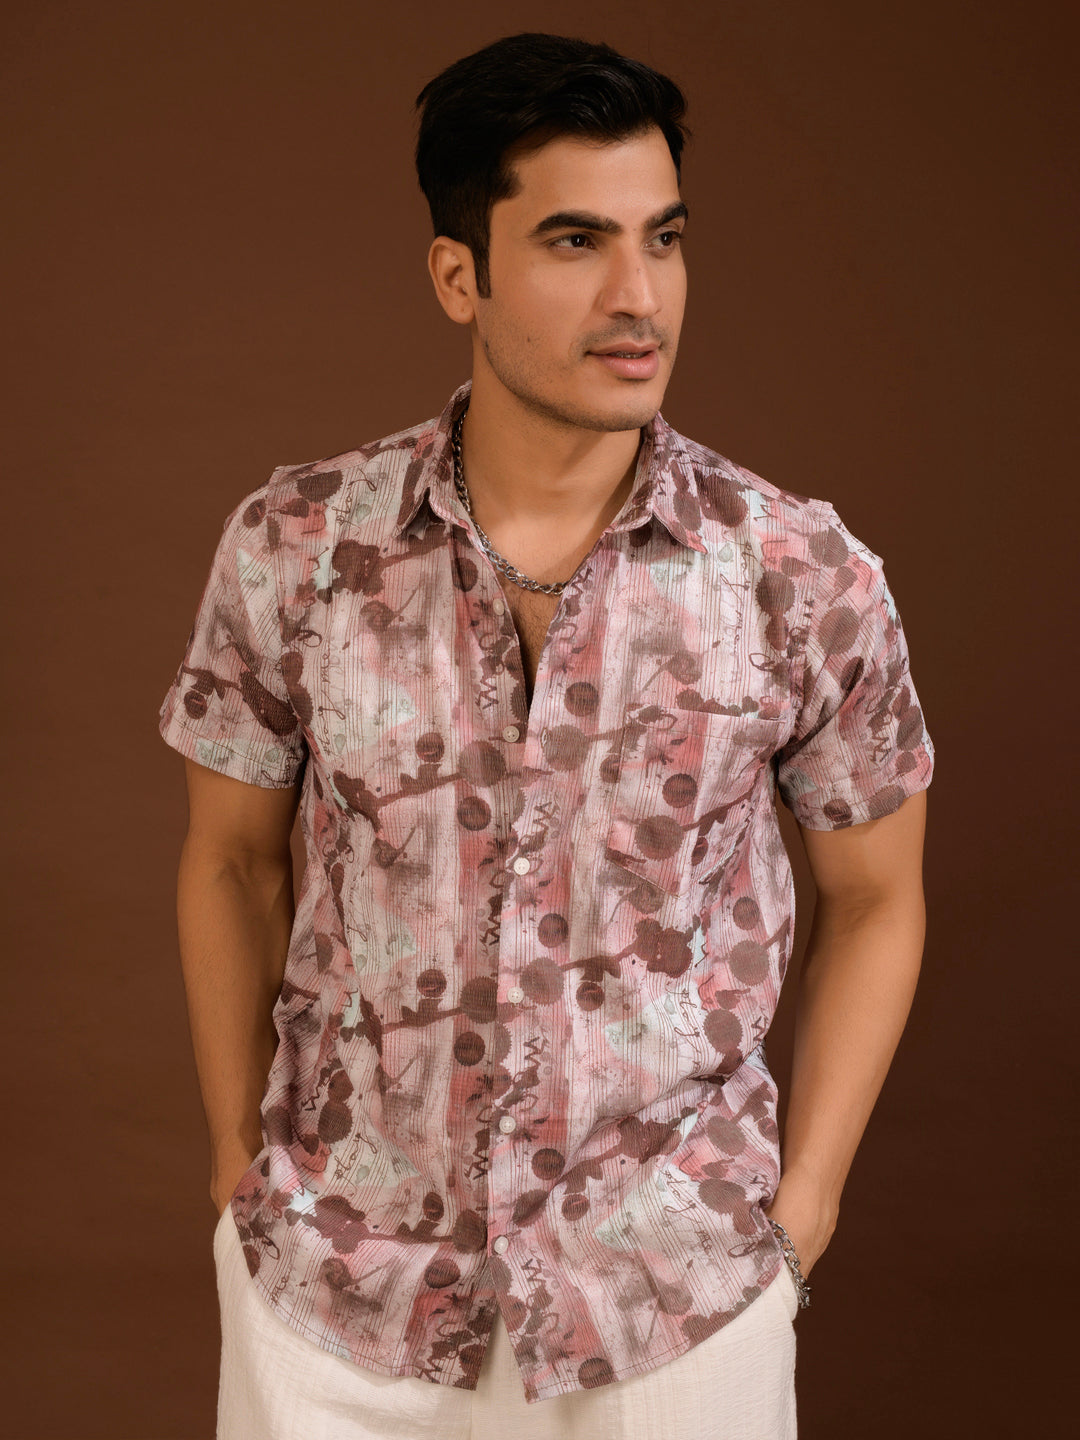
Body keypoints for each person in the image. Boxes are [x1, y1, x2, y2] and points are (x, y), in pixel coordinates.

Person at [159, 31, 934, 1440]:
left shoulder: (798, 573)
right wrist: (236, 1171)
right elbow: (232, 864)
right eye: (577, 241)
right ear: (460, 274)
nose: (639, 297)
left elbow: (877, 896)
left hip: (674, 1300)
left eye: (664, 239)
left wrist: (801, 1210)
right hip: (339, 1292)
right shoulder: (298, 547)